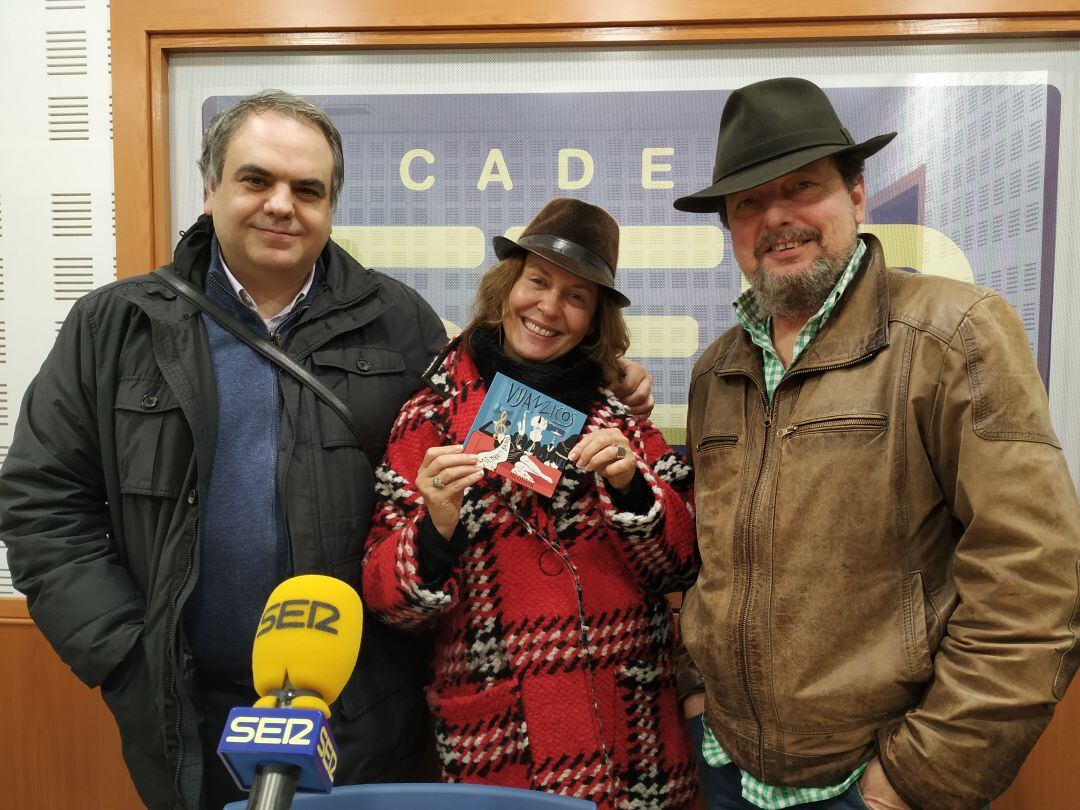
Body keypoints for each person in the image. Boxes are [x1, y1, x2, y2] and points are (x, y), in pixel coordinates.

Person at [0, 90, 656, 810]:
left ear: (330, 205)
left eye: (307, 189)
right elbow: (42, 503)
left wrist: (601, 376)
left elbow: (484, 404)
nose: (282, 205)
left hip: (367, 717)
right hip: (187, 710)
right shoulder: (114, 326)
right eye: (257, 180)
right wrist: (126, 654)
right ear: (211, 185)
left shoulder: (397, 319)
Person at [672, 77, 1080, 810]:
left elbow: (1036, 583)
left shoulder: (952, 333)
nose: (777, 217)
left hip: (871, 787)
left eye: (802, 187)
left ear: (857, 193)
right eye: (749, 203)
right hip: (727, 769)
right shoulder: (717, 368)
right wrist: (699, 697)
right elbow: (714, 560)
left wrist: (914, 781)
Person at [361, 198, 698, 809]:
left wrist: (632, 490)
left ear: (595, 319)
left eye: (576, 296)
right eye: (537, 281)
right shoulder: (433, 413)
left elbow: (681, 566)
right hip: (504, 738)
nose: (548, 307)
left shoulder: (622, 414)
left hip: (630, 734)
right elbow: (389, 603)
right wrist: (434, 532)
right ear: (506, 285)